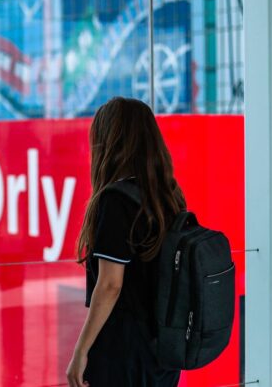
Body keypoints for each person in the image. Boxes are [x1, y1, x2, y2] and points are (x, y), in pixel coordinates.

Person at [66, 97, 187, 387]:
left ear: (110, 143)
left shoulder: (116, 200)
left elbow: (110, 285)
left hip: (124, 353)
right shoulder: (169, 197)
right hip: (163, 348)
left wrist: (80, 351)